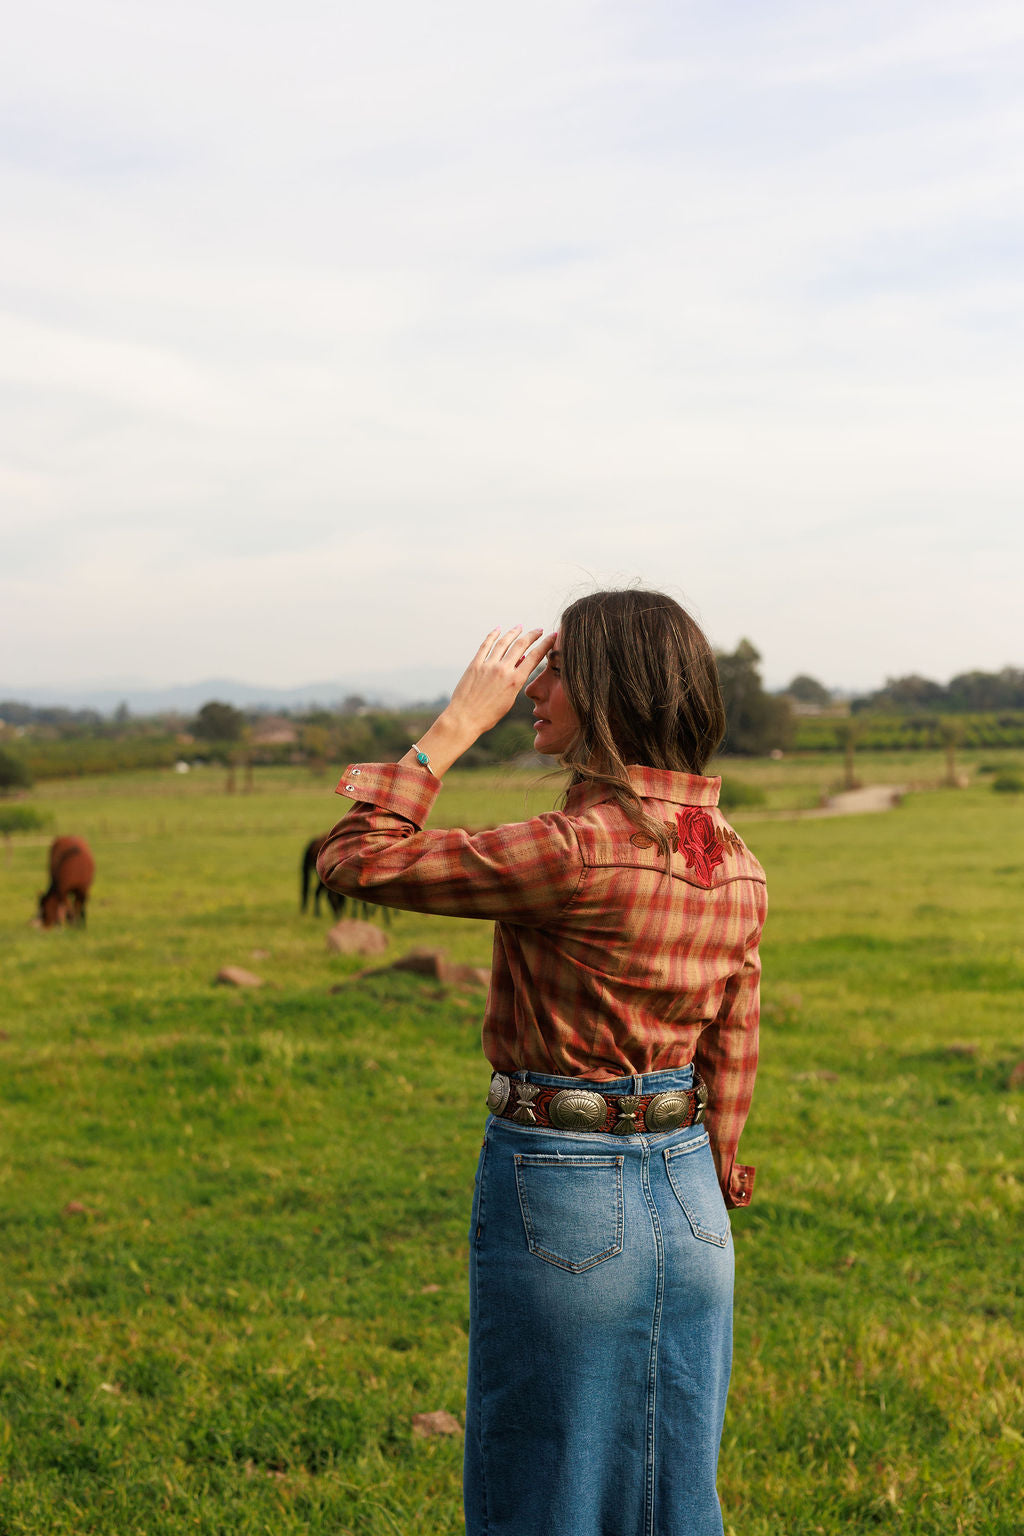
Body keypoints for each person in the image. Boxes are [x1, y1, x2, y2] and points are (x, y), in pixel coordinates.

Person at [316, 589, 766, 1536]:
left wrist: (453, 724)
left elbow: (352, 858)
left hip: (564, 1183)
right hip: (692, 1206)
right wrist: (715, 1159)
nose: (532, 685)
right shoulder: (736, 862)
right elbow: (732, 1040)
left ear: (608, 689)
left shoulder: (572, 850)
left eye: (555, 666)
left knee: (541, 1488)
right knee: (674, 1491)